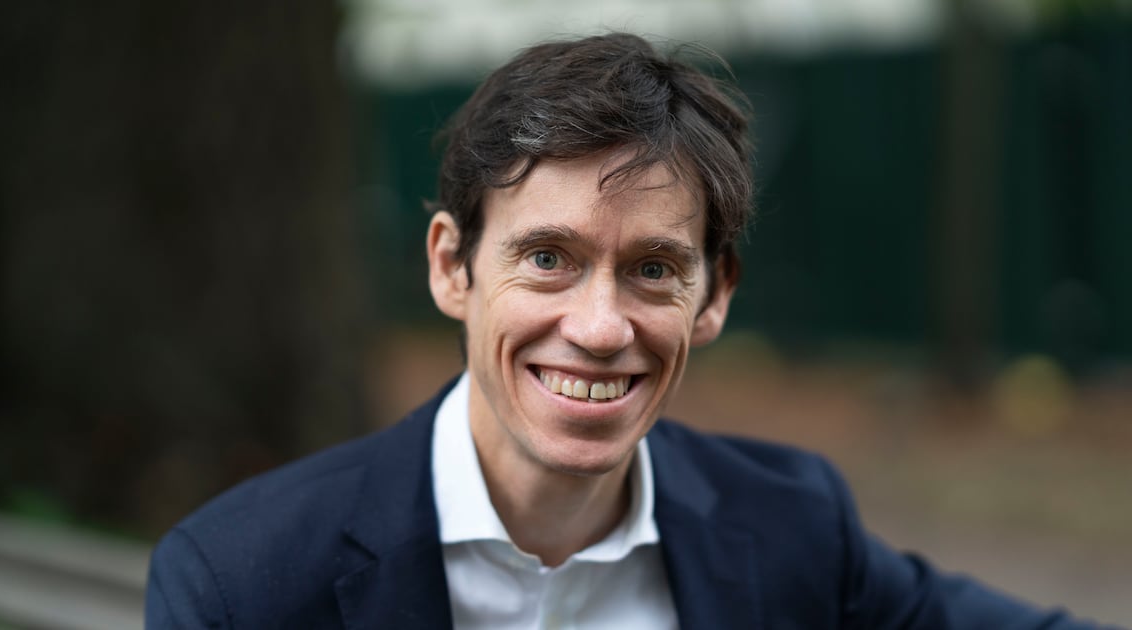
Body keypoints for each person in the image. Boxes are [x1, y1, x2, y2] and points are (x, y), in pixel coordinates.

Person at [145, 32, 1115, 629]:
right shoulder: (243, 583)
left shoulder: (792, 525)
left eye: (653, 269)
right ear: (451, 267)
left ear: (714, 296)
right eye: (547, 257)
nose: (601, 328)